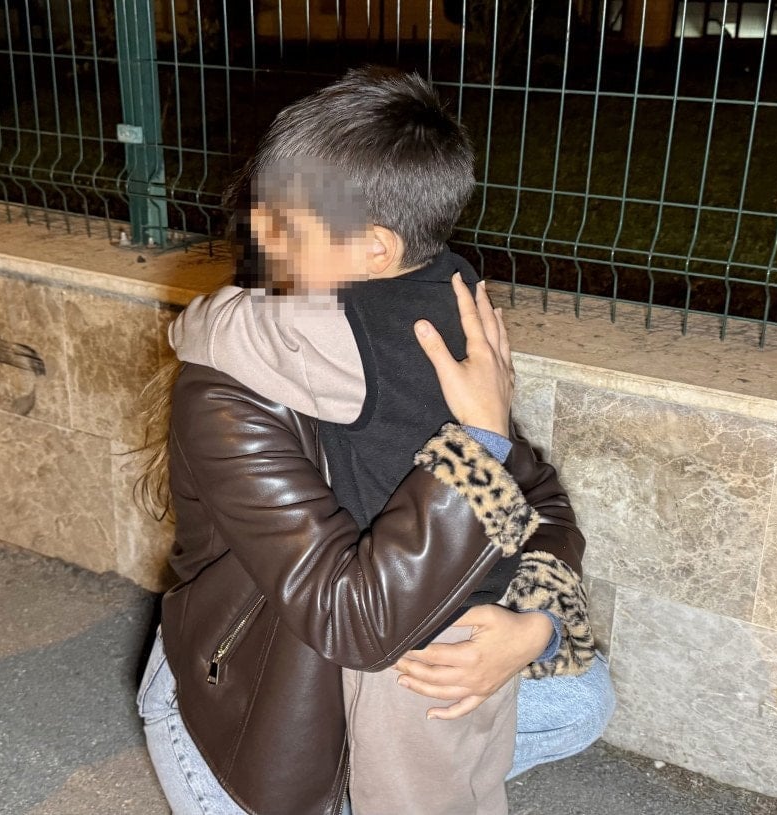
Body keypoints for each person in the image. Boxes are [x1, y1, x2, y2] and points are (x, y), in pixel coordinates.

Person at [135, 68, 613, 815]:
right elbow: (351, 618)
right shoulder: (228, 390)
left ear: (376, 250)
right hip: (261, 701)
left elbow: (539, 497)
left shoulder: (428, 335)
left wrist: (535, 627)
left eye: (284, 221)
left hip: (390, 656)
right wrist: (477, 445)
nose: (255, 230)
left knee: (580, 698)